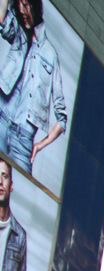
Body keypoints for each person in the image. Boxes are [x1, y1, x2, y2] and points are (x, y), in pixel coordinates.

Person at [0, 0, 68, 175]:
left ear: (35, 6)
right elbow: (2, 21)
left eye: (26, 4)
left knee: (20, 185)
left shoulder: (51, 55)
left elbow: (62, 119)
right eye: (19, 5)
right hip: (1, 119)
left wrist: (40, 145)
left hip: (23, 139)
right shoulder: (18, 34)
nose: (22, 10)